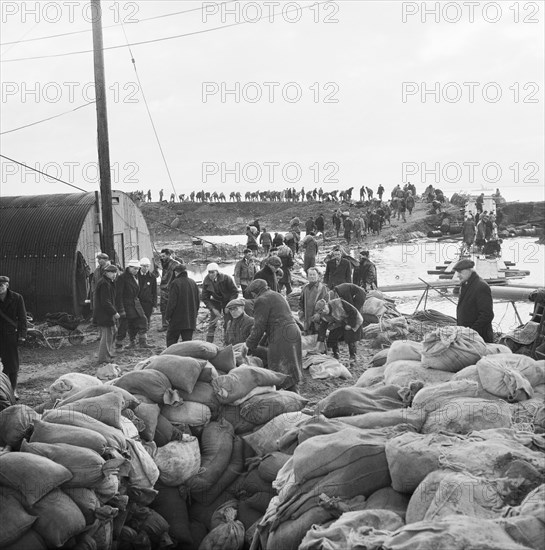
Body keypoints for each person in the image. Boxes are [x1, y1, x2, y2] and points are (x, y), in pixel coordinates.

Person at [243, 279, 303, 391]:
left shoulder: (261, 300)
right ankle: (294, 392)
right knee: (292, 364)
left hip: (281, 335)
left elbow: (259, 326)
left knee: (280, 366)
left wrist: (249, 345)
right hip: (292, 331)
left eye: (252, 294)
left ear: (255, 292)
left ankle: (291, 394)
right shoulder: (276, 294)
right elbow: (273, 321)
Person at [453, 259, 494, 343]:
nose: (458, 275)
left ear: (469, 270)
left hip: (479, 338)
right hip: (467, 337)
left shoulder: (481, 286)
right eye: (457, 272)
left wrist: (471, 332)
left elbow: (487, 315)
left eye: (460, 272)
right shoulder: (465, 285)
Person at [0, 276, 27, 396]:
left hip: (10, 334)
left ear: (7, 286)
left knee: (12, 364)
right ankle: (3, 390)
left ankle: (13, 389)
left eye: (1, 285)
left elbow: (22, 318)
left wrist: (22, 335)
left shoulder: (17, 298)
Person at [315, 296, 363, 364]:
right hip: (340, 321)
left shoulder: (338, 303)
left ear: (326, 304)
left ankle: (353, 356)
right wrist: (319, 342)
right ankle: (336, 354)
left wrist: (350, 324)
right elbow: (322, 328)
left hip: (353, 319)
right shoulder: (323, 315)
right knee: (333, 335)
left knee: (350, 337)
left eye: (324, 308)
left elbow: (353, 312)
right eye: (321, 311)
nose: (324, 311)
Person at [115, 260, 151, 349]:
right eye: (134, 268)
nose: (136, 270)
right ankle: (120, 344)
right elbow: (118, 295)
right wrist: (121, 309)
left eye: (138, 269)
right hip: (126, 304)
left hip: (135, 303)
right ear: (129, 267)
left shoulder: (135, 276)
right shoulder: (122, 278)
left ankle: (143, 342)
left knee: (143, 320)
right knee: (125, 324)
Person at [201, 262, 238, 343]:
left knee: (228, 322)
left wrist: (229, 306)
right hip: (215, 302)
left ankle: (228, 342)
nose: (210, 274)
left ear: (217, 272)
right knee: (212, 323)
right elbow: (204, 297)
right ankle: (208, 343)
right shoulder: (206, 280)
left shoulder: (226, 278)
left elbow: (235, 292)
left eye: (212, 272)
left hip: (227, 301)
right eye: (209, 272)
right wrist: (213, 309)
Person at [165, 264, 200, 346]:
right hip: (190, 319)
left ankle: (171, 357)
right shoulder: (193, 282)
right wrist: (194, 315)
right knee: (187, 344)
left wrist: (167, 316)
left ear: (176, 272)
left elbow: (171, 303)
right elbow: (197, 302)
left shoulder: (175, 283)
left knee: (171, 341)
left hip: (176, 319)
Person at [92, 265, 120, 366]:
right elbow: (105, 301)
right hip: (104, 314)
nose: (114, 275)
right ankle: (103, 359)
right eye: (112, 273)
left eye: (115, 273)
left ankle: (107, 354)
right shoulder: (104, 284)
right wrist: (114, 312)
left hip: (104, 313)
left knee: (111, 333)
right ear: (106, 273)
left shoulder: (107, 282)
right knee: (107, 336)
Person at [298, 267, 329, 334]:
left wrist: (319, 313)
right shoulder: (305, 288)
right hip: (307, 317)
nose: (312, 276)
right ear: (307, 276)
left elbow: (326, 302)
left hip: (318, 318)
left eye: (314, 274)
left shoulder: (322, 288)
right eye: (310, 275)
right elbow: (301, 301)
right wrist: (301, 311)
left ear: (318, 276)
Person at [158, 249, 181, 331]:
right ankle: (165, 325)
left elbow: (180, 277)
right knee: (163, 308)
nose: (162, 258)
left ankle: (174, 325)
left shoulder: (176, 264)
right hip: (164, 289)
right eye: (161, 256)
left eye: (164, 256)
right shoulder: (164, 263)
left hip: (172, 289)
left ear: (169, 255)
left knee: (173, 307)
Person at [137, 257, 157, 329]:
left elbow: (154, 292)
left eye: (147, 266)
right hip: (138, 301)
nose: (146, 268)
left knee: (147, 317)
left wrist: (154, 305)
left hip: (148, 302)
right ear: (140, 266)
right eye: (144, 266)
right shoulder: (136, 276)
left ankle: (145, 330)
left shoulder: (152, 277)